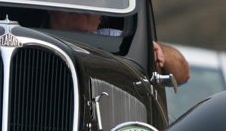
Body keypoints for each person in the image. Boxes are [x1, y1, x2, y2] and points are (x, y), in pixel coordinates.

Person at [47, 10, 190, 84]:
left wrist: (150, 48)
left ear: (99, 17)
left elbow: (181, 74)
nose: (82, 3)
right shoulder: (29, 37)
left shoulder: (115, 40)